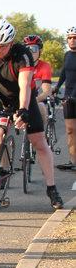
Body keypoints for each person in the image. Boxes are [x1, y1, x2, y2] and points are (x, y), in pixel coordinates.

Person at [0, 19, 63, 209]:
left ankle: (52, 189)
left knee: (39, 142)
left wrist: (23, 110)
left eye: (3, 46)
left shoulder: (22, 55)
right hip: (1, 93)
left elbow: (24, 85)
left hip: (24, 97)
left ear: (12, 42)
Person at [55, 27, 76, 171]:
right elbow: (64, 73)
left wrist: (73, 96)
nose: (72, 40)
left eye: (75, 38)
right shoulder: (67, 54)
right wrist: (56, 87)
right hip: (69, 96)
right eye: (69, 37)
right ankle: (73, 161)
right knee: (70, 130)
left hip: (73, 96)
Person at [23, 34, 52, 127]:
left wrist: (35, 100)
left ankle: (41, 138)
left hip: (37, 99)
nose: (31, 52)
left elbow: (47, 91)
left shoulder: (45, 66)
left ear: (40, 51)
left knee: (41, 107)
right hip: (23, 99)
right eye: (28, 49)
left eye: (34, 48)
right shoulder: (20, 65)